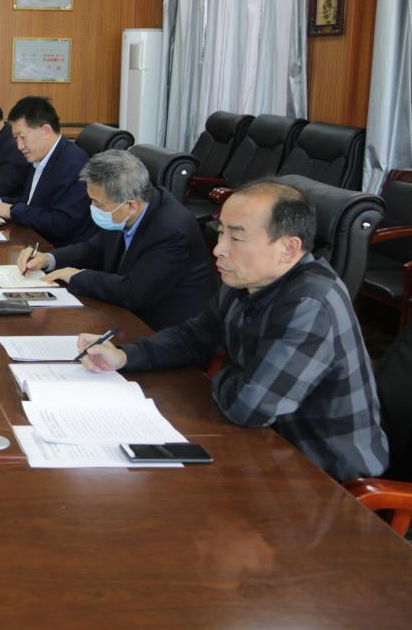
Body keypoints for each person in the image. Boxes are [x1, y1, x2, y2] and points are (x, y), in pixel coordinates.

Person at [78, 180, 389, 481]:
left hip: (325, 474)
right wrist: (124, 356)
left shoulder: (310, 304)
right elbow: (192, 339)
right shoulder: (245, 280)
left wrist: (224, 371)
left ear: (288, 249)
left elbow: (248, 407)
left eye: (236, 239)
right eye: (221, 233)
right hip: (263, 443)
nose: (219, 250)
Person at [15, 150, 218, 331]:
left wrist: (76, 276)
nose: (91, 208)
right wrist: (48, 259)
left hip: (164, 330)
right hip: (125, 313)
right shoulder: (124, 212)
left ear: (131, 206)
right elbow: (93, 249)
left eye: (97, 203)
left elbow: (134, 292)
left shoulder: (171, 230)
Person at [0, 95, 91, 247]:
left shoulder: (73, 163)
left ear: (46, 131)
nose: (19, 146)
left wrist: (12, 211)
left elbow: (62, 223)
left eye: (22, 137)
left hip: (56, 251)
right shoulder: (41, 157)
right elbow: (31, 203)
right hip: (33, 242)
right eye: (16, 138)